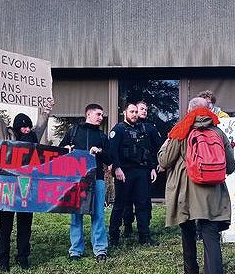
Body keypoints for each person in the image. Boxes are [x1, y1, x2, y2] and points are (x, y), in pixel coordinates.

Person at [157, 97, 235, 274]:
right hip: (213, 195)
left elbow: (164, 161)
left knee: (188, 231)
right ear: (210, 110)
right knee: (211, 239)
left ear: (188, 110)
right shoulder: (219, 132)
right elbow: (230, 167)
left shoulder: (182, 129)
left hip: (186, 193)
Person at [0, 102, 51, 271]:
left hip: (26, 187)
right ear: (17, 128)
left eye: (29, 127)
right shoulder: (6, 136)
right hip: (8, 187)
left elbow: (42, 124)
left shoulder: (33, 138)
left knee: (25, 224)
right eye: (24, 127)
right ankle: (3, 259)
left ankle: (23, 257)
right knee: (5, 225)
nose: (27, 130)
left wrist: (46, 109)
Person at [60, 104, 111, 261]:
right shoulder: (73, 131)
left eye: (102, 115)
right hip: (77, 180)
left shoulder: (102, 136)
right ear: (88, 114)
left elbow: (110, 159)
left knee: (98, 214)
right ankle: (75, 250)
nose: (101, 117)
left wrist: (100, 152)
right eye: (98, 114)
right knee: (76, 215)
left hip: (97, 179)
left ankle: (100, 249)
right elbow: (60, 152)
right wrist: (66, 148)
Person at [108, 102, 158, 246]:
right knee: (120, 205)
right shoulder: (118, 129)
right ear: (125, 113)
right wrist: (116, 169)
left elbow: (147, 151)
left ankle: (144, 237)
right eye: (132, 112)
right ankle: (114, 237)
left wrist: (152, 167)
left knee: (142, 204)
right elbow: (112, 152)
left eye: (136, 112)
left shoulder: (142, 129)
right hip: (124, 172)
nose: (135, 114)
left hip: (141, 171)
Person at [121, 100, 163, 239]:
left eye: (146, 109)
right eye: (141, 109)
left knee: (144, 200)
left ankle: (144, 229)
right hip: (128, 169)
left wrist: (155, 165)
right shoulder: (124, 128)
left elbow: (157, 147)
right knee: (126, 201)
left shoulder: (150, 128)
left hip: (145, 167)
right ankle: (127, 227)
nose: (143, 111)